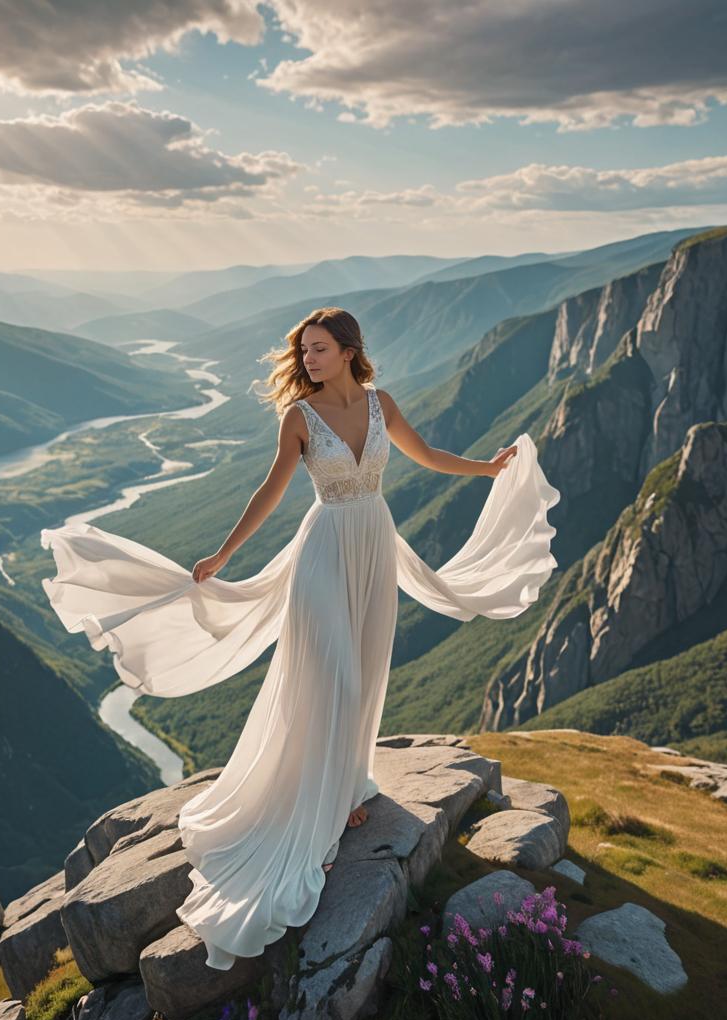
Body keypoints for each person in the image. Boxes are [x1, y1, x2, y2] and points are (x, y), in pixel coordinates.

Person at [40, 306, 560, 971]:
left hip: (374, 543)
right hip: (322, 553)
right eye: (304, 350)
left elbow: (425, 456)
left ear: (349, 351)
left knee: (368, 670)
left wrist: (489, 471)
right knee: (335, 673)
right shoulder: (299, 418)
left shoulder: (380, 405)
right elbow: (270, 489)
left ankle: (345, 785)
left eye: (318, 349)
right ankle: (318, 808)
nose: (307, 359)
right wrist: (222, 555)